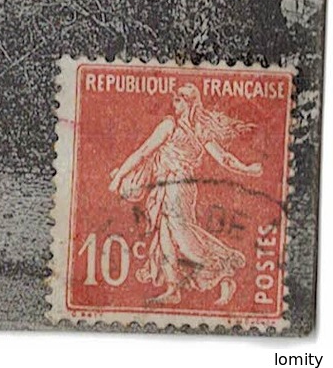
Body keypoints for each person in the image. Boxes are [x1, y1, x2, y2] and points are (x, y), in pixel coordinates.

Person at [107, 83, 263, 306]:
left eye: (179, 100)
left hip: (179, 186)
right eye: (174, 99)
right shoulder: (175, 126)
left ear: (190, 103)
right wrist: (120, 175)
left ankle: (221, 267)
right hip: (166, 186)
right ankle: (174, 289)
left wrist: (246, 169)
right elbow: (143, 152)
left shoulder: (180, 127)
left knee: (181, 234)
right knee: (165, 237)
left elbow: (224, 158)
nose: (174, 103)